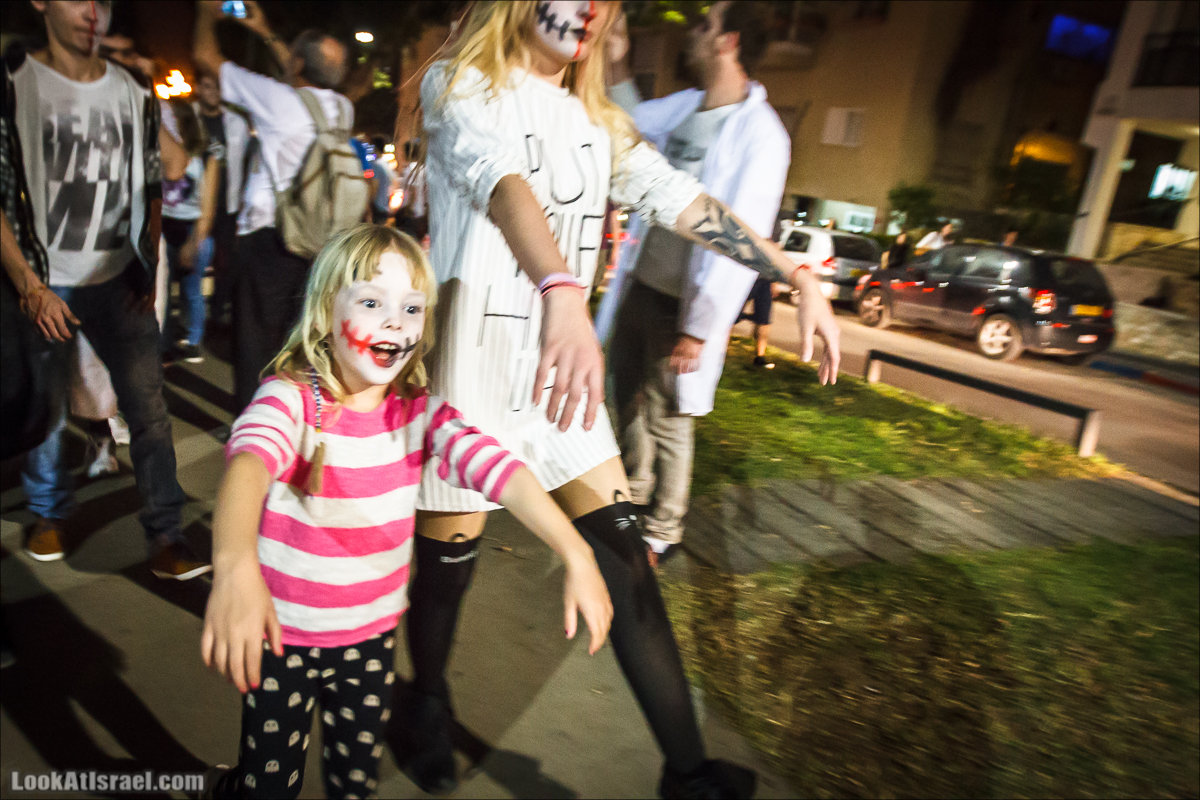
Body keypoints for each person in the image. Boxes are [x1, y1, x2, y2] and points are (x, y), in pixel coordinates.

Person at [404, 3, 839, 798]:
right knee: (446, 573)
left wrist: (791, 271)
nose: (587, 8)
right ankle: (425, 699)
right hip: (470, 374)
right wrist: (563, 286)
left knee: (630, 565)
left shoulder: (597, 120)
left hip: (560, 384)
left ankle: (689, 772)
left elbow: (683, 200)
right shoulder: (459, 82)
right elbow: (502, 183)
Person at [200, 224, 612, 799]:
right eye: (371, 301)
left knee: (355, 783)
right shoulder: (291, 399)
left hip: (369, 646)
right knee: (267, 786)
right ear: (324, 312)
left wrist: (576, 551)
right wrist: (236, 565)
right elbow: (247, 467)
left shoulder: (421, 414)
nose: (395, 321)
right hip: (280, 640)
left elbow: (500, 470)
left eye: (411, 308)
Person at [1, 0, 204, 579]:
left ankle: (167, 534)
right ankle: (48, 514)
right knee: (47, 407)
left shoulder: (133, 90)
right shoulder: (15, 83)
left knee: (149, 411)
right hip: (48, 276)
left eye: (104, 1)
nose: (95, 11)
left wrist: (152, 253)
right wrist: (29, 285)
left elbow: (164, 172)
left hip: (119, 279)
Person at [596, 0, 788, 562]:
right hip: (642, 284)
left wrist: (701, 329)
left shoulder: (760, 134)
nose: (694, 34)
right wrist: (616, 60)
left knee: (671, 418)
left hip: (686, 305)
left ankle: (663, 529)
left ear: (727, 41)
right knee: (626, 397)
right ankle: (631, 499)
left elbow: (741, 236)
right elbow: (625, 126)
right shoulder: (686, 107)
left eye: (705, 25)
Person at [193, 0, 355, 413]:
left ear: (298, 63)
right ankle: (300, 421)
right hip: (323, 244)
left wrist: (206, 14)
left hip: (270, 240)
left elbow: (205, 59)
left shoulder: (277, 100)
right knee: (302, 342)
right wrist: (267, 32)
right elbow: (306, 76)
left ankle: (256, 431)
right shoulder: (341, 110)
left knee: (255, 346)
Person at [160, 98, 220, 364]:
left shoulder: (205, 156)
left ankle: (193, 340)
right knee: (159, 289)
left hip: (192, 228)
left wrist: (193, 242)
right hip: (162, 226)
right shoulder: (162, 151)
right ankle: (162, 341)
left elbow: (207, 207)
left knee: (191, 290)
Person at [193, 67, 251, 330]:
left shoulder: (236, 123)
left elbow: (246, 162)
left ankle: (216, 311)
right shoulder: (189, 118)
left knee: (225, 261)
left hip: (227, 204)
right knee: (192, 257)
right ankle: (191, 310)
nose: (213, 93)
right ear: (198, 88)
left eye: (217, 88)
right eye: (207, 86)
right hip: (193, 203)